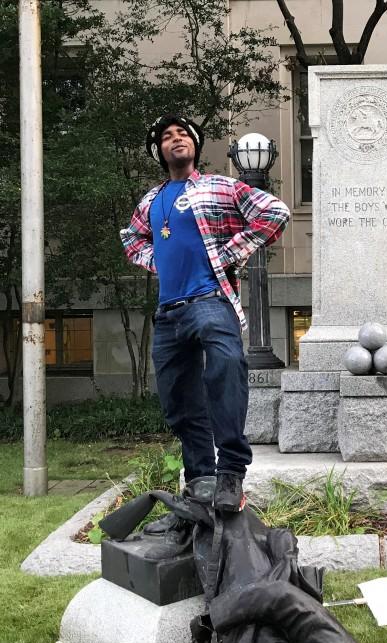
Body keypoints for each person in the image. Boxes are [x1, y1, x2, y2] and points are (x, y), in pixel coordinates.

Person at [121, 114, 290, 511]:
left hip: (210, 300)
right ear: (158, 151)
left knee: (227, 367)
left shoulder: (221, 186)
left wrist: (233, 251)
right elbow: (131, 238)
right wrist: (156, 260)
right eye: (167, 136)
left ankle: (231, 473)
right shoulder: (151, 200)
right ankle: (200, 476)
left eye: (183, 134)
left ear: (195, 146)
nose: (176, 139)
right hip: (168, 313)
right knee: (179, 399)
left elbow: (275, 212)